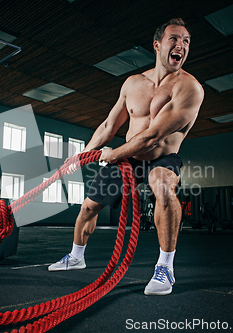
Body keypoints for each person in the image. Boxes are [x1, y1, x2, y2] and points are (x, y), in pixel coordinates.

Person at [48, 18, 204, 296]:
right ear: (157, 45)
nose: (181, 45)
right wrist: (82, 155)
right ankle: (76, 256)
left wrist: (112, 154)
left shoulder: (189, 88)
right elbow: (109, 126)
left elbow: (153, 136)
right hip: (128, 159)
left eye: (186, 41)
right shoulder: (133, 84)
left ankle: (165, 267)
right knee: (88, 208)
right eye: (175, 39)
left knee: (164, 189)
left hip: (161, 157)